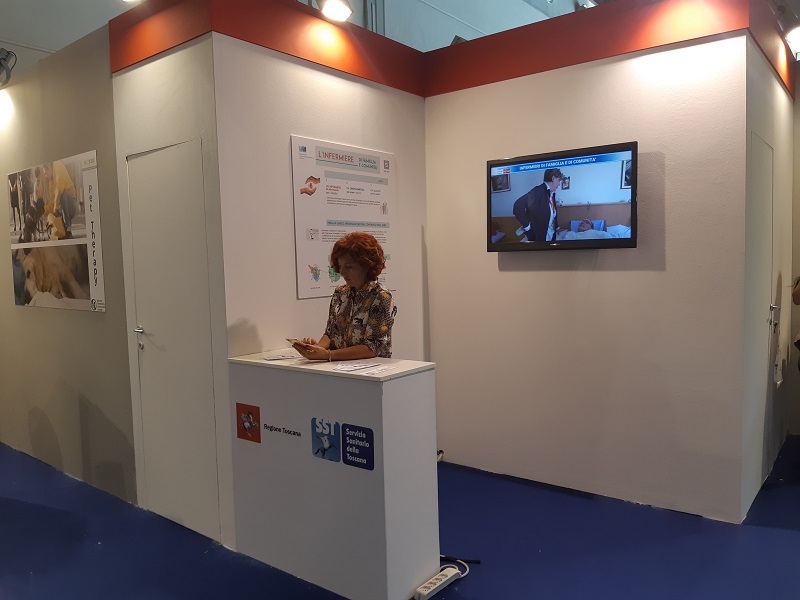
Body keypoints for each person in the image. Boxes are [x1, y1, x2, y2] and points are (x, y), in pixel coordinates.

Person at [293, 232, 396, 361]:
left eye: (348, 267)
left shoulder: (381, 297)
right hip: (338, 367)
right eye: (340, 266)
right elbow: (330, 333)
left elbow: (373, 347)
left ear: (366, 266)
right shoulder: (340, 293)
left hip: (370, 369)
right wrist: (316, 349)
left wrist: (328, 355)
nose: (342, 272)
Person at [512, 168, 564, 242]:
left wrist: (557, 227)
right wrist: (527, 227)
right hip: (540, 238)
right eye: (558, 180)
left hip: (551, 235)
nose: (559, 184)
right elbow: (518, 205)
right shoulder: (538, 191)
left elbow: (551, 214)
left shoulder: (552, 193)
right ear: (553, 178)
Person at [43, 161, 78, 239]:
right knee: (56, 207)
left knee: (62, 192)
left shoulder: (58, 165)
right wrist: (43, 210)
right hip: (61, 208)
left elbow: (59, 188)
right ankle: (62, 231)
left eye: (45, 173)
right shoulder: (51, 183)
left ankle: (67, 228)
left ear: (50, 168)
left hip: (71, 205)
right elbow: (51, 204)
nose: (45, 176)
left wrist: (55, 207)